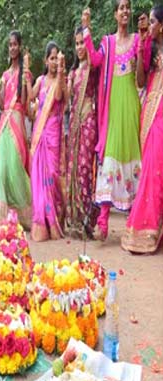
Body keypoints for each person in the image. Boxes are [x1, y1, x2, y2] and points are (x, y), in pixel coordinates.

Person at [82, 2, 143, 241]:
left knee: (133, 158)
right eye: (121, 8)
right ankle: (103, 224)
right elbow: (95, 61)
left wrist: (146, 41)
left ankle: (133, 223)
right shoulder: (107, 42)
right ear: (115, 14)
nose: (125, 11)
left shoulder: (138, 40)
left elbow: (144, 70)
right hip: (113, 107)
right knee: (110, 161)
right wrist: (86, 31)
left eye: (128, 7)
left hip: (132, 105)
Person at [122, 5, 163, 253]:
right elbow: (139, 80)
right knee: (152, 165)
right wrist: (141, 45)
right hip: (151, 112)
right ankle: (146, 231)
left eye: (154, 21)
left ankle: (150, 230)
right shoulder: (150, 49)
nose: (151, 24)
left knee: (156, 166)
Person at [0, 31, 33, 232]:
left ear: (20, 47)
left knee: (15, 167)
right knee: (1, 168)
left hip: (17, 121)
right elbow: (3, 100)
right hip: (4, 123)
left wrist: (25, 76)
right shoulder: (5, 75)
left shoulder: (25, 72)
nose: (12, 48)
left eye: (15, 44)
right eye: (10, 45)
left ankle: (25, 216)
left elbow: (23, 99)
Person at [29, 42, 68, 241]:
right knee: (38, 176)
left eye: (56, 58)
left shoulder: (59, 81)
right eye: (51, 58)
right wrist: (27, 74)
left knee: (52, 174)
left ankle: (55, 220)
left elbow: (60, 96)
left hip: (53, 131)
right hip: (39, 132)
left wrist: (61, 72)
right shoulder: (41, 80)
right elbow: (30, 97)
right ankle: (42, 222)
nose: (53, 61)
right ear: (46, 60)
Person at [64, 27, 101, 239]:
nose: (79, 47)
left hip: (88, 120)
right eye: (76, 43)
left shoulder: (92, 69)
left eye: (81, 43)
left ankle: (88, 218)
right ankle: (76, 220)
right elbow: (68, 100)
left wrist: (88, 32)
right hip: (75, 124)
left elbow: (94, 59)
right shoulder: (74, 72)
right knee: (73, 169)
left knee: (86, 167)